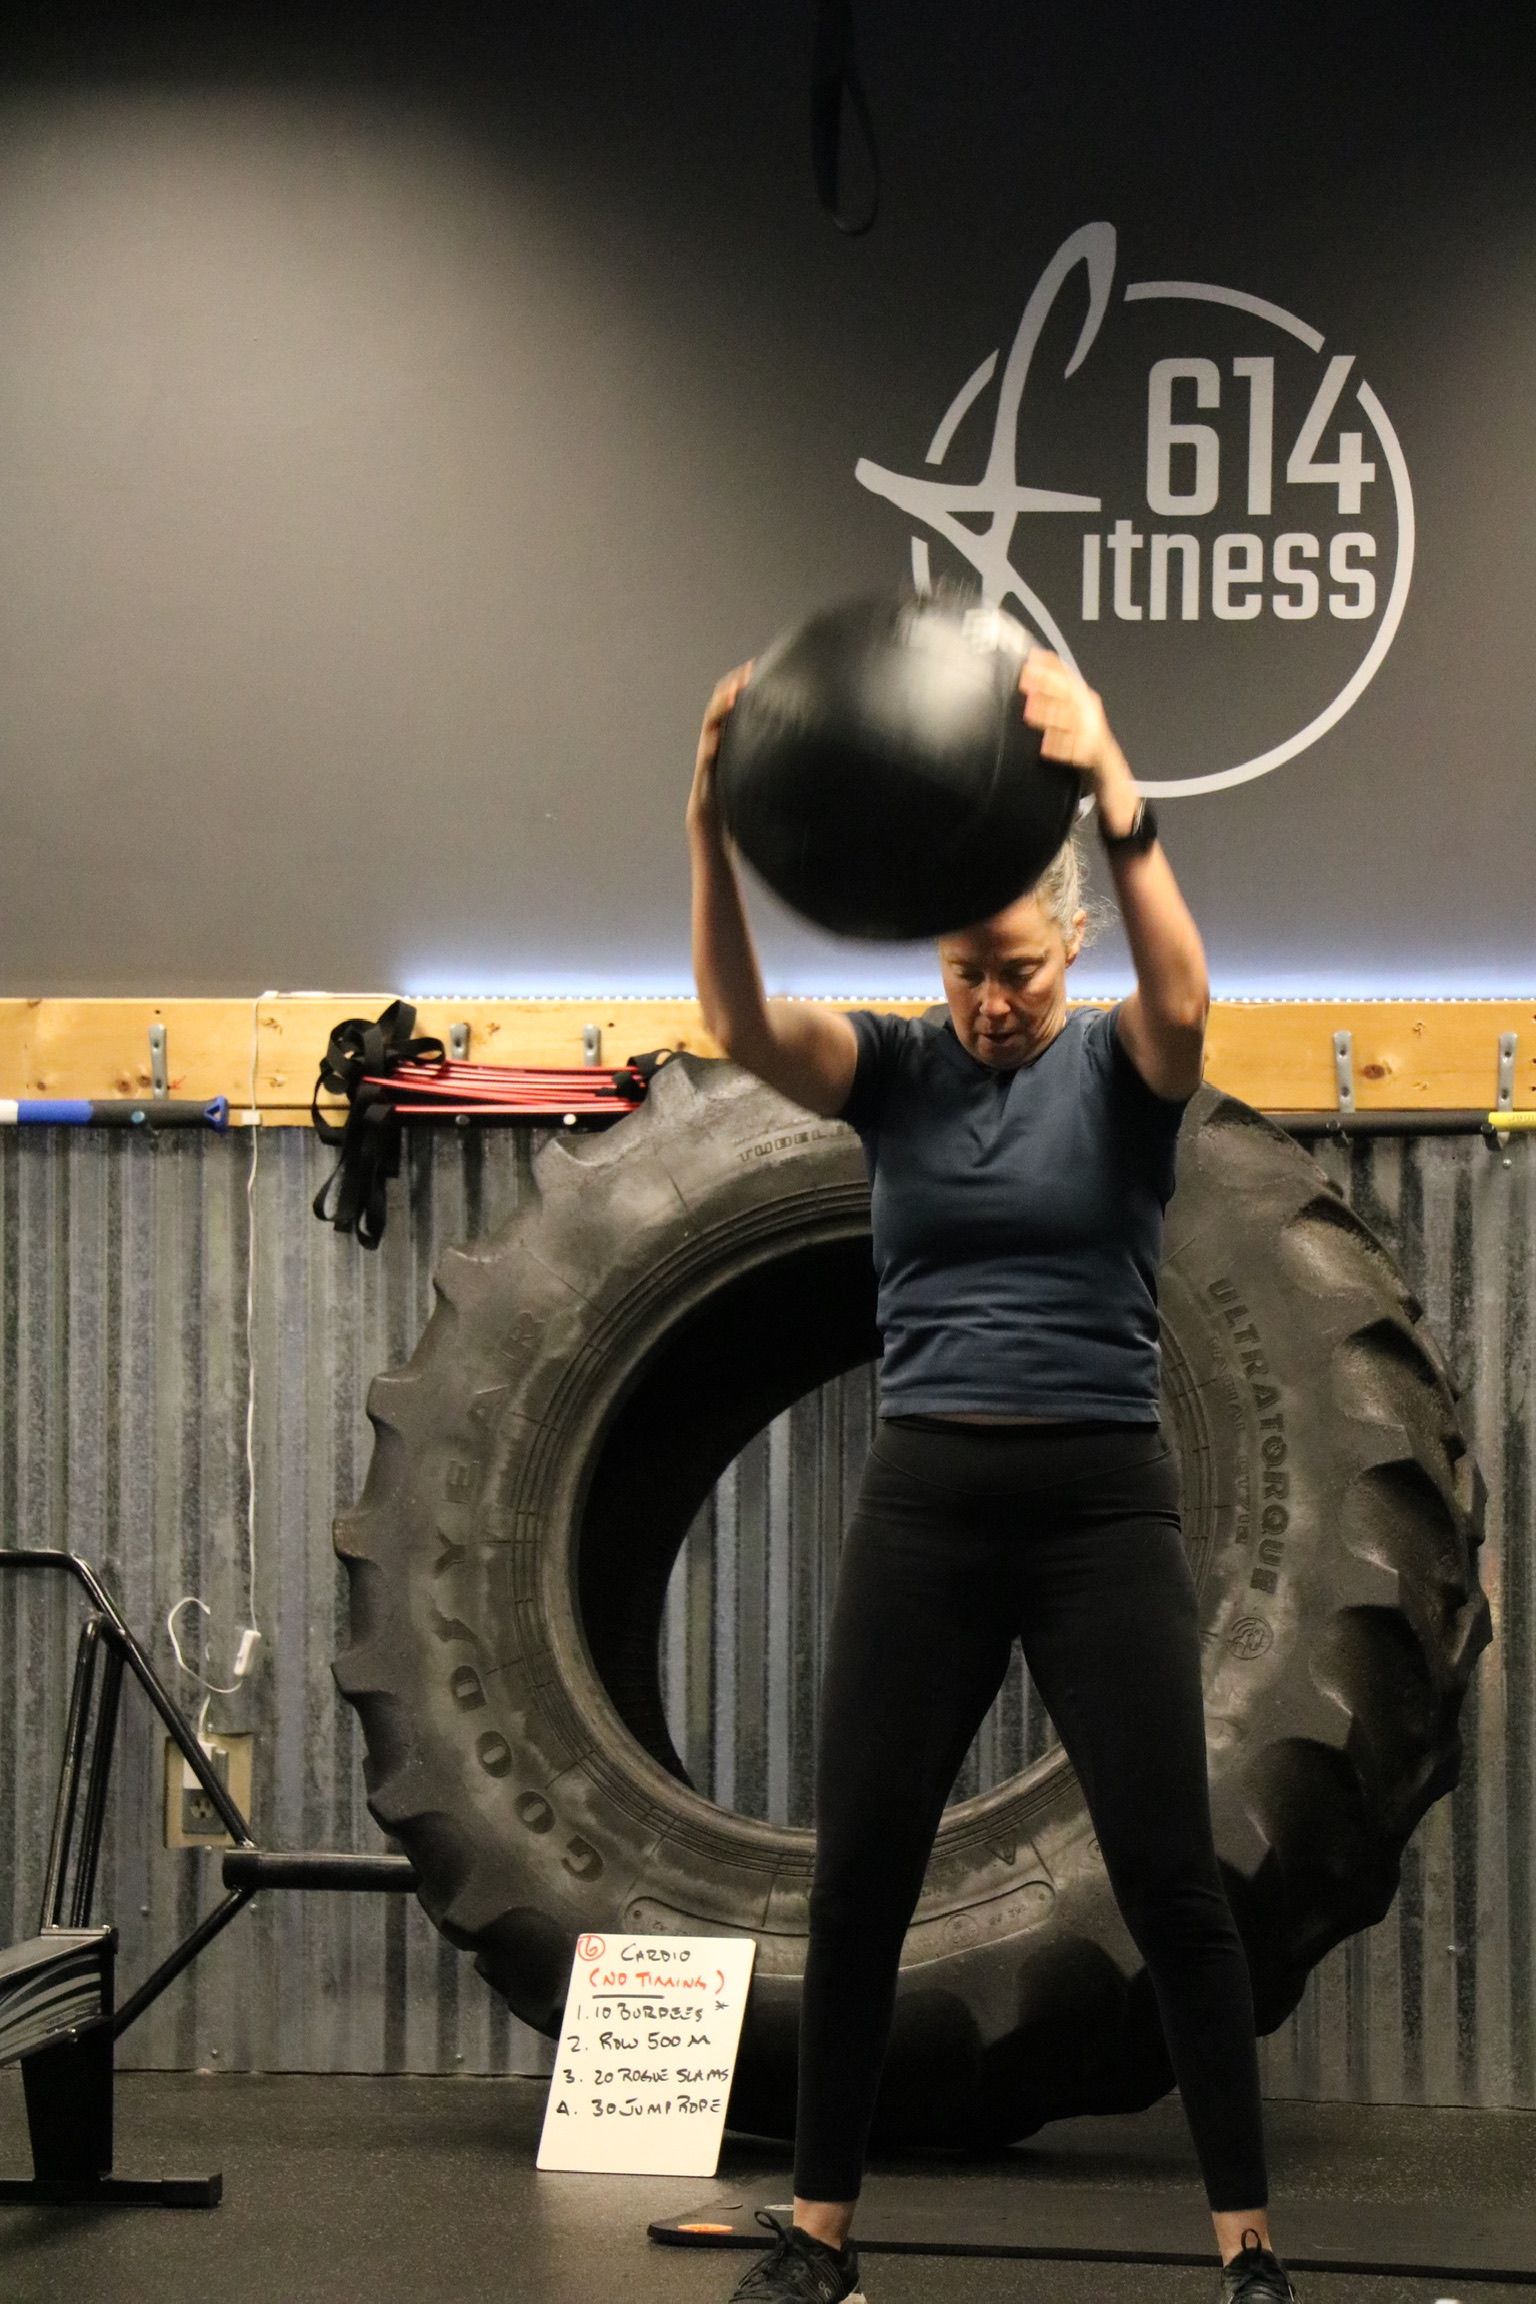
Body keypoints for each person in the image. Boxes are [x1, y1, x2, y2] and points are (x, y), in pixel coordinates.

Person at [685, 642, 1296, 2304]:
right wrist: (711, 825)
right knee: (860, 1885)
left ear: (1069, 944)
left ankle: (1248, 2250)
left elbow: (1188, 999)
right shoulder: (898, 1075)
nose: (992, 1002)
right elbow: (734, 1020)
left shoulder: (1122, 1070)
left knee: (1175, 1885)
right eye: (966, 974)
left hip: (1101, 1512)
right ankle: (820, 2238)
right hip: (928, 1514)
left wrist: (1116, 784)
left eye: (1018, 970)